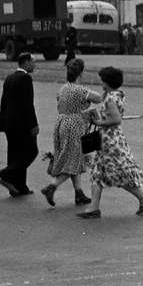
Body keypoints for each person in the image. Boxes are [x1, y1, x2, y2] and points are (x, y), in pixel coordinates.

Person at [76, 66, 143, 218]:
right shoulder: (117, 94)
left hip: (109, 141)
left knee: (116, 173)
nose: (101, 84)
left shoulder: (110, 100)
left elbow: (116, 119)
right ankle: (93, 208)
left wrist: (99, 122)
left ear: (107, 82)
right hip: (111, 139)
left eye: (103, 82)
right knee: (97, 172)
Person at [40, 58, 103, 207]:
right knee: (73, 160)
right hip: (74, 127)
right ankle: (52, 186)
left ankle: (79, 194)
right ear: (80, 73)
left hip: (61, 124)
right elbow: (98, 98)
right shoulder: (80, 90)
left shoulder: (62, 89)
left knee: (74, 158)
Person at [0, 52, 39, 197]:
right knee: (31, 151)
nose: (35, 64)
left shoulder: (9, 78)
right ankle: (6, 176)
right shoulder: (26, 78)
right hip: (22, 124)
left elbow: (3, 102)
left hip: (9, 123)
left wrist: (4, 121)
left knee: (14, 153)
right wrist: (34, 124)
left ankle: (19, 187)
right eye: (33, 61)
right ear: (26, 62)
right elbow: (28, 104)